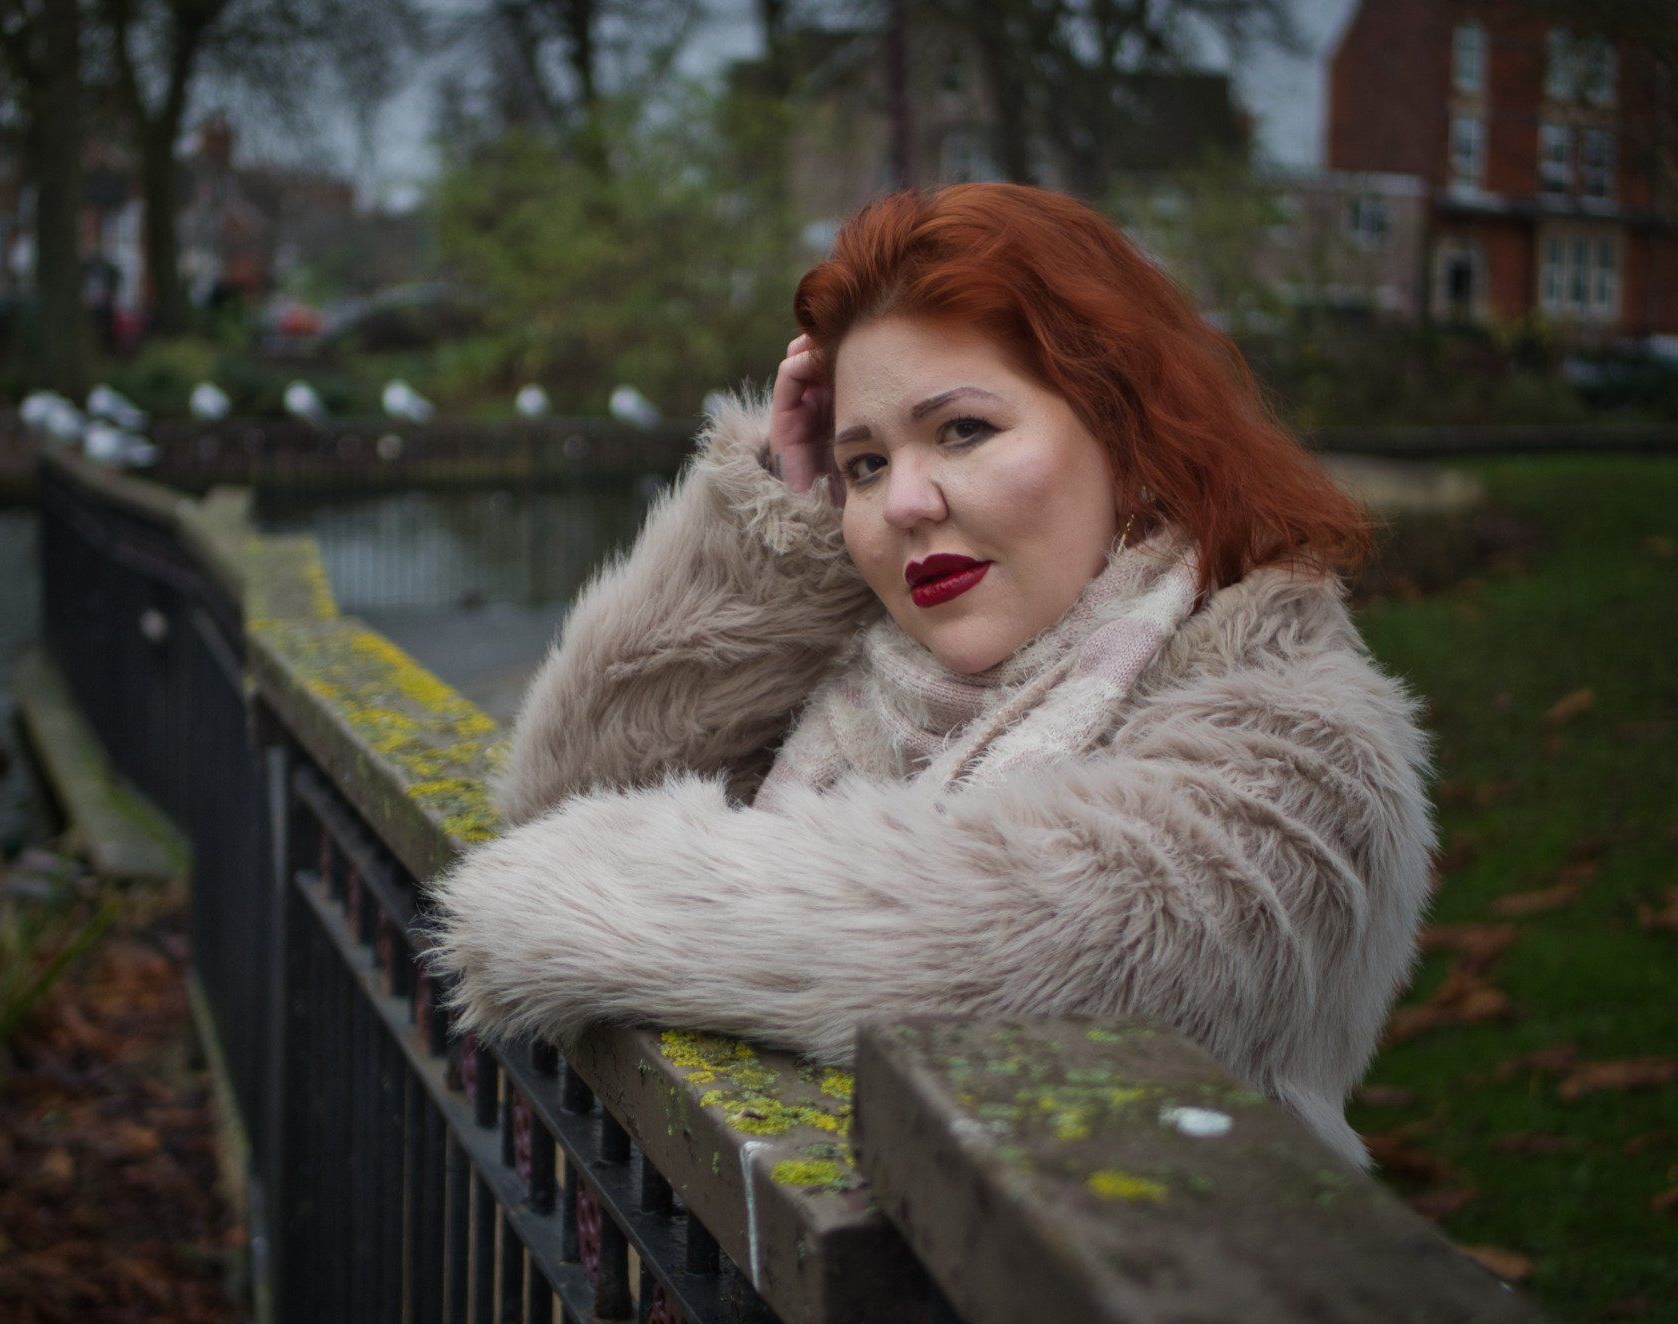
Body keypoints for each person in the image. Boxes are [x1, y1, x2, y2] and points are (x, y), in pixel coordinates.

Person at [427, 184, 1434, 1168]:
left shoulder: (1305, 737)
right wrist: (781, 526)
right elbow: (571, 797)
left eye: (963, 430)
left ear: (1127, 430)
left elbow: (1030, 949)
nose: (903, 501)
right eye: (863, 464)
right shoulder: (866, 681)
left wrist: (592, 899)